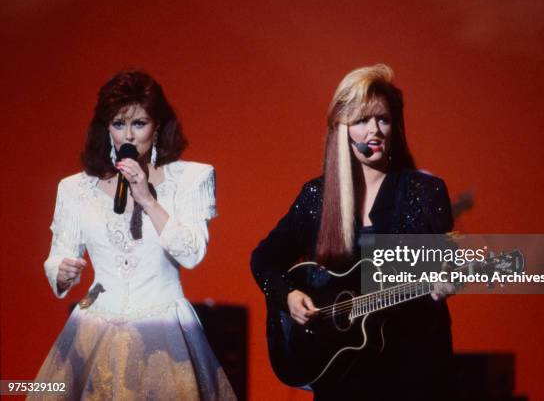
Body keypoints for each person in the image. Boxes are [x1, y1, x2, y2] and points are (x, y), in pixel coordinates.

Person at [251, 64, 455, 400]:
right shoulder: (317, 196)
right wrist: (287, 296)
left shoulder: (425, 190)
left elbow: (443, 259)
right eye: (362, 120)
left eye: (383, 119)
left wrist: (447, 278)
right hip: (342, 375)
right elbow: (264, 259)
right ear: (342, 129)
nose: (375, 130)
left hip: (411, 369)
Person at [31, 70, 236, 400]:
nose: (128, 135)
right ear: (106, 129)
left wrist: (147, 199)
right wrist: (62, 270)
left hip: (163, 327)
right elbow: (58, 256)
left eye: (139, 123)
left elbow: (192, 253)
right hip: (95, 321)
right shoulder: (75, 188)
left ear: (156, 127)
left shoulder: (191, 179)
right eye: (118, 124)